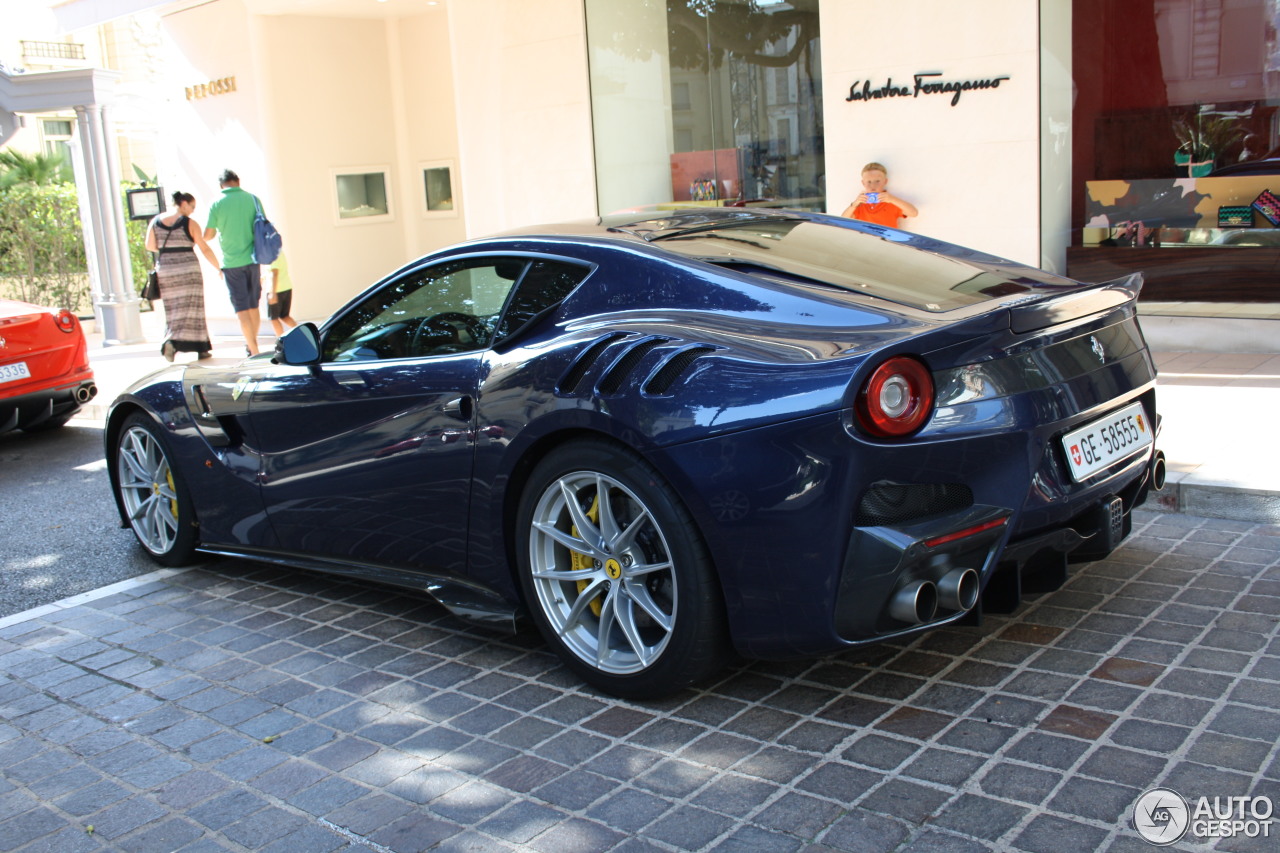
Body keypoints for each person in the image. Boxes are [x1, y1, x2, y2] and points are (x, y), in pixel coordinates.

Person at [144, 191, 220, 361]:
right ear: (184, 203)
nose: (192, 211)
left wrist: (169, 251)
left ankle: (171, 341)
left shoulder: (155, 222)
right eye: (192, 206)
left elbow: (150, 245)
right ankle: (201, 347)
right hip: (188, 268)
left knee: (172, 309)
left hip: (166, 269)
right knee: (194, 306)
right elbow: (204, 247)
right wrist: (218, 267)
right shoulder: (190, 223)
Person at [204, 169, 267, 355]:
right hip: (254, 260)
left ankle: (254, 350)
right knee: (254, 305)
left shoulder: (216, 203)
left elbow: (209, 234)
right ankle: (252, 344)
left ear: (221, 185)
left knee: (242, 309)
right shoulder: (253, 199)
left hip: (231, 263)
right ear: (238, 181)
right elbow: (263, 224)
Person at [841, 162, 918, 227]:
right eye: (869, 182)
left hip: (886, 243)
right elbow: (842, 221)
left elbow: (914, 213)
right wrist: (854, 204)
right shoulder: (860, 205)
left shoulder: (891, 202)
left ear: (885, 181)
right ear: (863, 183)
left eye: (877, 181)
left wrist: (892, 199)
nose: (873, 186)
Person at [265, 251, 298, 337]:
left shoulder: (272, 254)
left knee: (274, 318)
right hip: (286, 287)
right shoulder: (280, 252)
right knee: (285, 316)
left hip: (277, 290)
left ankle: (281, 341)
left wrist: (273, 292)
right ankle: (303, 335)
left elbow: (274, 272)